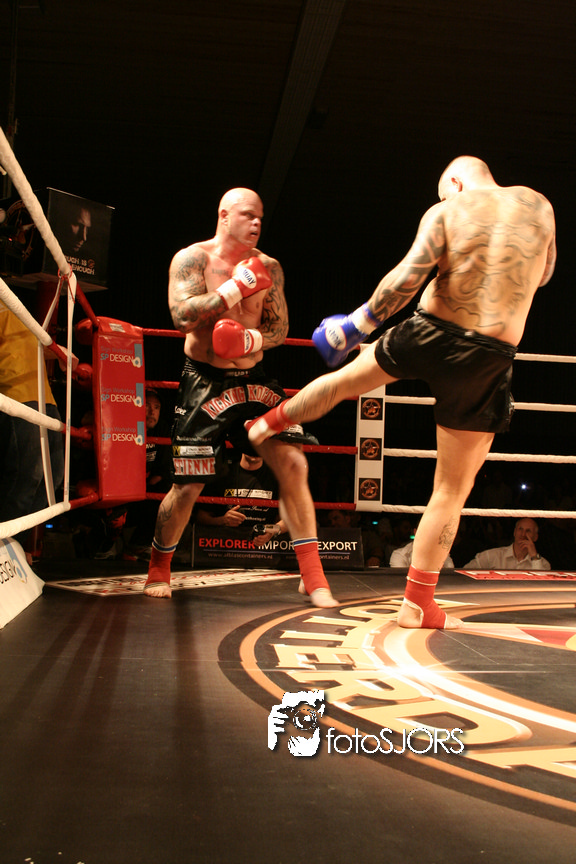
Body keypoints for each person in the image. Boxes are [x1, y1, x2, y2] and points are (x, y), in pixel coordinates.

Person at [248, 156, 557, 629]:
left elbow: (407, 278)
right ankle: (416, 605)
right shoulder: (539, 206)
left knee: (347, 380)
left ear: (455, 182)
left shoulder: (447, 210)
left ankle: (269, 422)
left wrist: (357, 324)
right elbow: (544, 274)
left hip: (431, 330)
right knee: (451, 489)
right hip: (488, 355)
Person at [143, 188, 337, 607]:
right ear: (224, 215)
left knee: (293, 463)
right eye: (248, 215)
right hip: (204, 381)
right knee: (189, 485)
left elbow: (280, 328)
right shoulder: (192, 259)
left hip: (255, 378)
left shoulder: (270, 266)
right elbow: (181, 317)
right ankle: (159, 567)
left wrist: (250, 339)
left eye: (260, 217)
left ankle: (312, 575)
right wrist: (235, 289)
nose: (256, 223)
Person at [0, 301, 68, 561]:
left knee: (54, 479)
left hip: (44, 397)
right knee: (27, 476)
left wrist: (58, 352)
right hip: (15, 392)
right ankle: (4, 548)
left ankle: (13, 546)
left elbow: (26, 345)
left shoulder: (11, 301)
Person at [195, 451, 286, 546]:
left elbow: (292, 518)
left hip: (266, 548)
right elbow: (201, 517)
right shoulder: (223, 474)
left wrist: (272, 530)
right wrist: (222, 520)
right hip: (224, 544)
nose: (253, 450)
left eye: (257, 446)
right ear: (242, 446)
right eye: (249, 445)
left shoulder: (278, 476)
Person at [463, 517, 550, 570]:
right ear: (514, 532)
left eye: (528, 531)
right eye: (520, 529)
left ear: (535, 537)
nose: (523, 534)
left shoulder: (544, 564)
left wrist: (534, 556)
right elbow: (464, 574)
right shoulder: (492, 555)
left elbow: (541, 586)